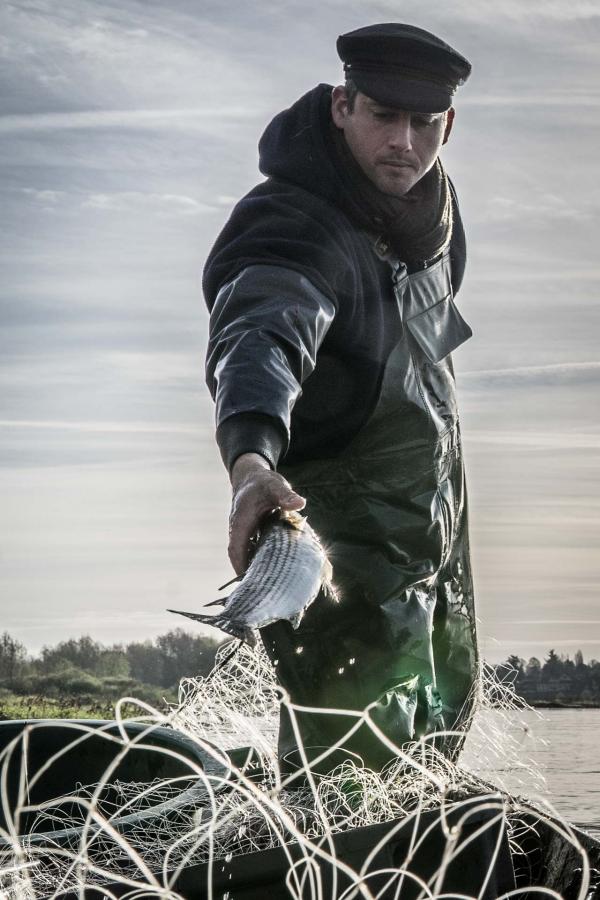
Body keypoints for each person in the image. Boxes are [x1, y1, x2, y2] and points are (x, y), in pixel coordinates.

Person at [203, 23, 478, 771]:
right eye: (384, 115)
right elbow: (262, 333)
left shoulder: (439, 217)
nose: (405, 143)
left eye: (425, 125)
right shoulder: (292, 223)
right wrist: (252, 461)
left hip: (438, 545)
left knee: (435, 756)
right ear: (341, 105)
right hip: (341, 560)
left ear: (446, 124)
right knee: (347, 775)